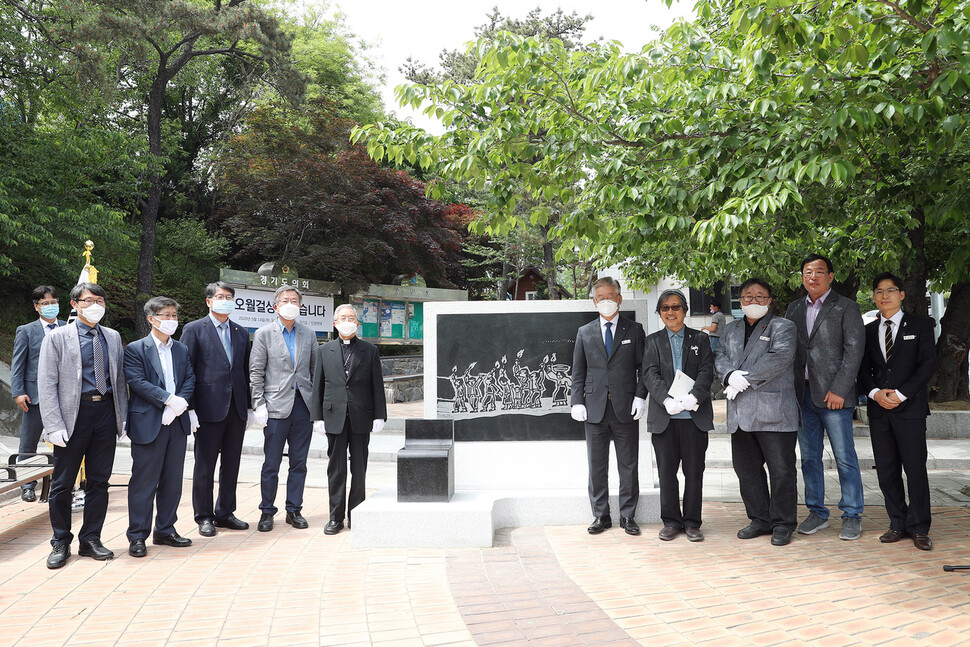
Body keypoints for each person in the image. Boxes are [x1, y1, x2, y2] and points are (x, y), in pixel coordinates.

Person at [37, 283, 128, 569]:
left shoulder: (112, 337)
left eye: (100, 300)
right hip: (72, 415)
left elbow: (120, 380)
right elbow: (47, 382)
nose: (95, 305)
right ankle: (60, 540)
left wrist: (121, 416)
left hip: (105, 412)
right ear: (75, 304)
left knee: (100, 481)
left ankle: (91, 539)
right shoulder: (58, 337)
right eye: (89, 301)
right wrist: (53, 423)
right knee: (63, 484)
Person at [785, 254, 866, 540]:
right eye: (808, 272)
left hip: (834, 397)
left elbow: (854, 351)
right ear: (802, 276)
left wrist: (840, 390)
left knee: (844, 457)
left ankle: (852, 514)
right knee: (809, 458)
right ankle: (817, 512)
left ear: (831, 276)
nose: (813, 277)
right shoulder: (793, 309)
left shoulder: (846, 307)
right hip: (802, 396)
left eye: (820, 272)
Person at [715, 278, 800, 546]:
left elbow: (779, 358)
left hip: (774, 411)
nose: (754, 301)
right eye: (748, 296)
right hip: (741, 414)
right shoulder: (729, 330)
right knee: (747, 470)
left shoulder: (783, 327)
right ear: (740, 301)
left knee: (782, 471)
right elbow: (719, 356)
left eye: (760, 296)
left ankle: (783, 523)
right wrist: (729, 375)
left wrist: (744, 379)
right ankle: (760, 519)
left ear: (770, 300)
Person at [858, 272, 937, 551]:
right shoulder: (867, 330)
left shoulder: (921, 325)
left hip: (910, 410)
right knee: (887, 471)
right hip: (880, 411)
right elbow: (863, 370)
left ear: (901, 294)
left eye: (890, 290)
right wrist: (875, 393)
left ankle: (919, 527)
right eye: (879, 291)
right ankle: (897, 523)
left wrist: (901, 394)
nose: (884, 296)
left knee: (915, 469)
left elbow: (927, 364)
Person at [570, 277, 646, 535]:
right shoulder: (585, 332)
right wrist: (576, 401)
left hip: (625, 407)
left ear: (620, 299)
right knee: (597, 465)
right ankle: (601, 515)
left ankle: (628, 516)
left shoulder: (634, 330)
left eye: (610, 296)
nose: (606, 301)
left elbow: (643, 369)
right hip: (594, 409)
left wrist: (640, 396)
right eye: (600, 297)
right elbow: (578, 372)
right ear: (594, 302)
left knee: (628, 465)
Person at [123, 297, 196, 558]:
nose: (172, 321)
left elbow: (189, 378)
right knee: (144, 482)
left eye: (175, 316)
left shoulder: (181, 349)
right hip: (148, 422)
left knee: (172, 481)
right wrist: (167, 400)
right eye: (166, 315)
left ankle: (165, 529)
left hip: (177, 422)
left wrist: (179, 405)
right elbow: (137, 381)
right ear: (151, 319)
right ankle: (137, 536)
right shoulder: (135, 349)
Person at [181, 282, 253, 537]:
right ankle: (204, 515)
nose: (225, 300)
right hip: (207, 408)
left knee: (231, 464)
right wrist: (189, 408)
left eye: (229, 297)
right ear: (209, 301)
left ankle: (225, 512)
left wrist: (250, 406)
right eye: (220, 296)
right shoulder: (193, 329)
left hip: (236, 409)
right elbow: (186, 370)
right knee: (205, 464)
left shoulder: (241, 332)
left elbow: (244, 371)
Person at [642, 289, 714, 542]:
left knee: (694, 472)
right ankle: (671, 521)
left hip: (694, 418)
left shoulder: (700, 339)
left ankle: (693, 522)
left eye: (675, 307)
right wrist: (666, 400)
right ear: (660, 313)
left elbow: (707, 370)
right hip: (665, 419)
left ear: (684, 310)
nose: (670, 312)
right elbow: (650, 374)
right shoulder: (651, 341)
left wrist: (694, 396)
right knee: (666, 472)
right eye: (665, 308)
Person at [311, 304, 387, 535]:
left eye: (351, 318)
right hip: (333, 416)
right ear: (335, 322)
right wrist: (317, 417)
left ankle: (356, 513)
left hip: (361, 416)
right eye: (343, 318)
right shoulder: (324, 351)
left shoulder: (369, 350)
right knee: (336, 469)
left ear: (357, 323)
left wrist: (380, 415)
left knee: (359, 467)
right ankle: (335, 517)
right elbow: (318, 386)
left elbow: (377, 385)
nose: (347, 321)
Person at [250, 285, 316, 532]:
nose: (290, 303)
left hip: (303, 406)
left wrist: (317, 409)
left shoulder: (308, 334)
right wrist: (258, 403)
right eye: (285, 300)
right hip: (275, 407)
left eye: (294, 300)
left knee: (299, 463)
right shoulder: (264, 333)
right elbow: (256, 372)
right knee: (271, 463)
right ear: (276, 306)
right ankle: (267, 511)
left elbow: (314, 370)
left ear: (300, 305)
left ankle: (294, 509)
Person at [11, 286, 66, 502]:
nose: (51, 306)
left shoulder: (67, 327)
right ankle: (27, 485)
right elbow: (18, 364)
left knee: (65, 441)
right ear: (36, 306)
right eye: (45, 303)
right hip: (34, 397)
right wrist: (18, 392)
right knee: (28, 443)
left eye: (54, 302)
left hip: (62, 396)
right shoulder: (26, 331)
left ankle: (62, 483)